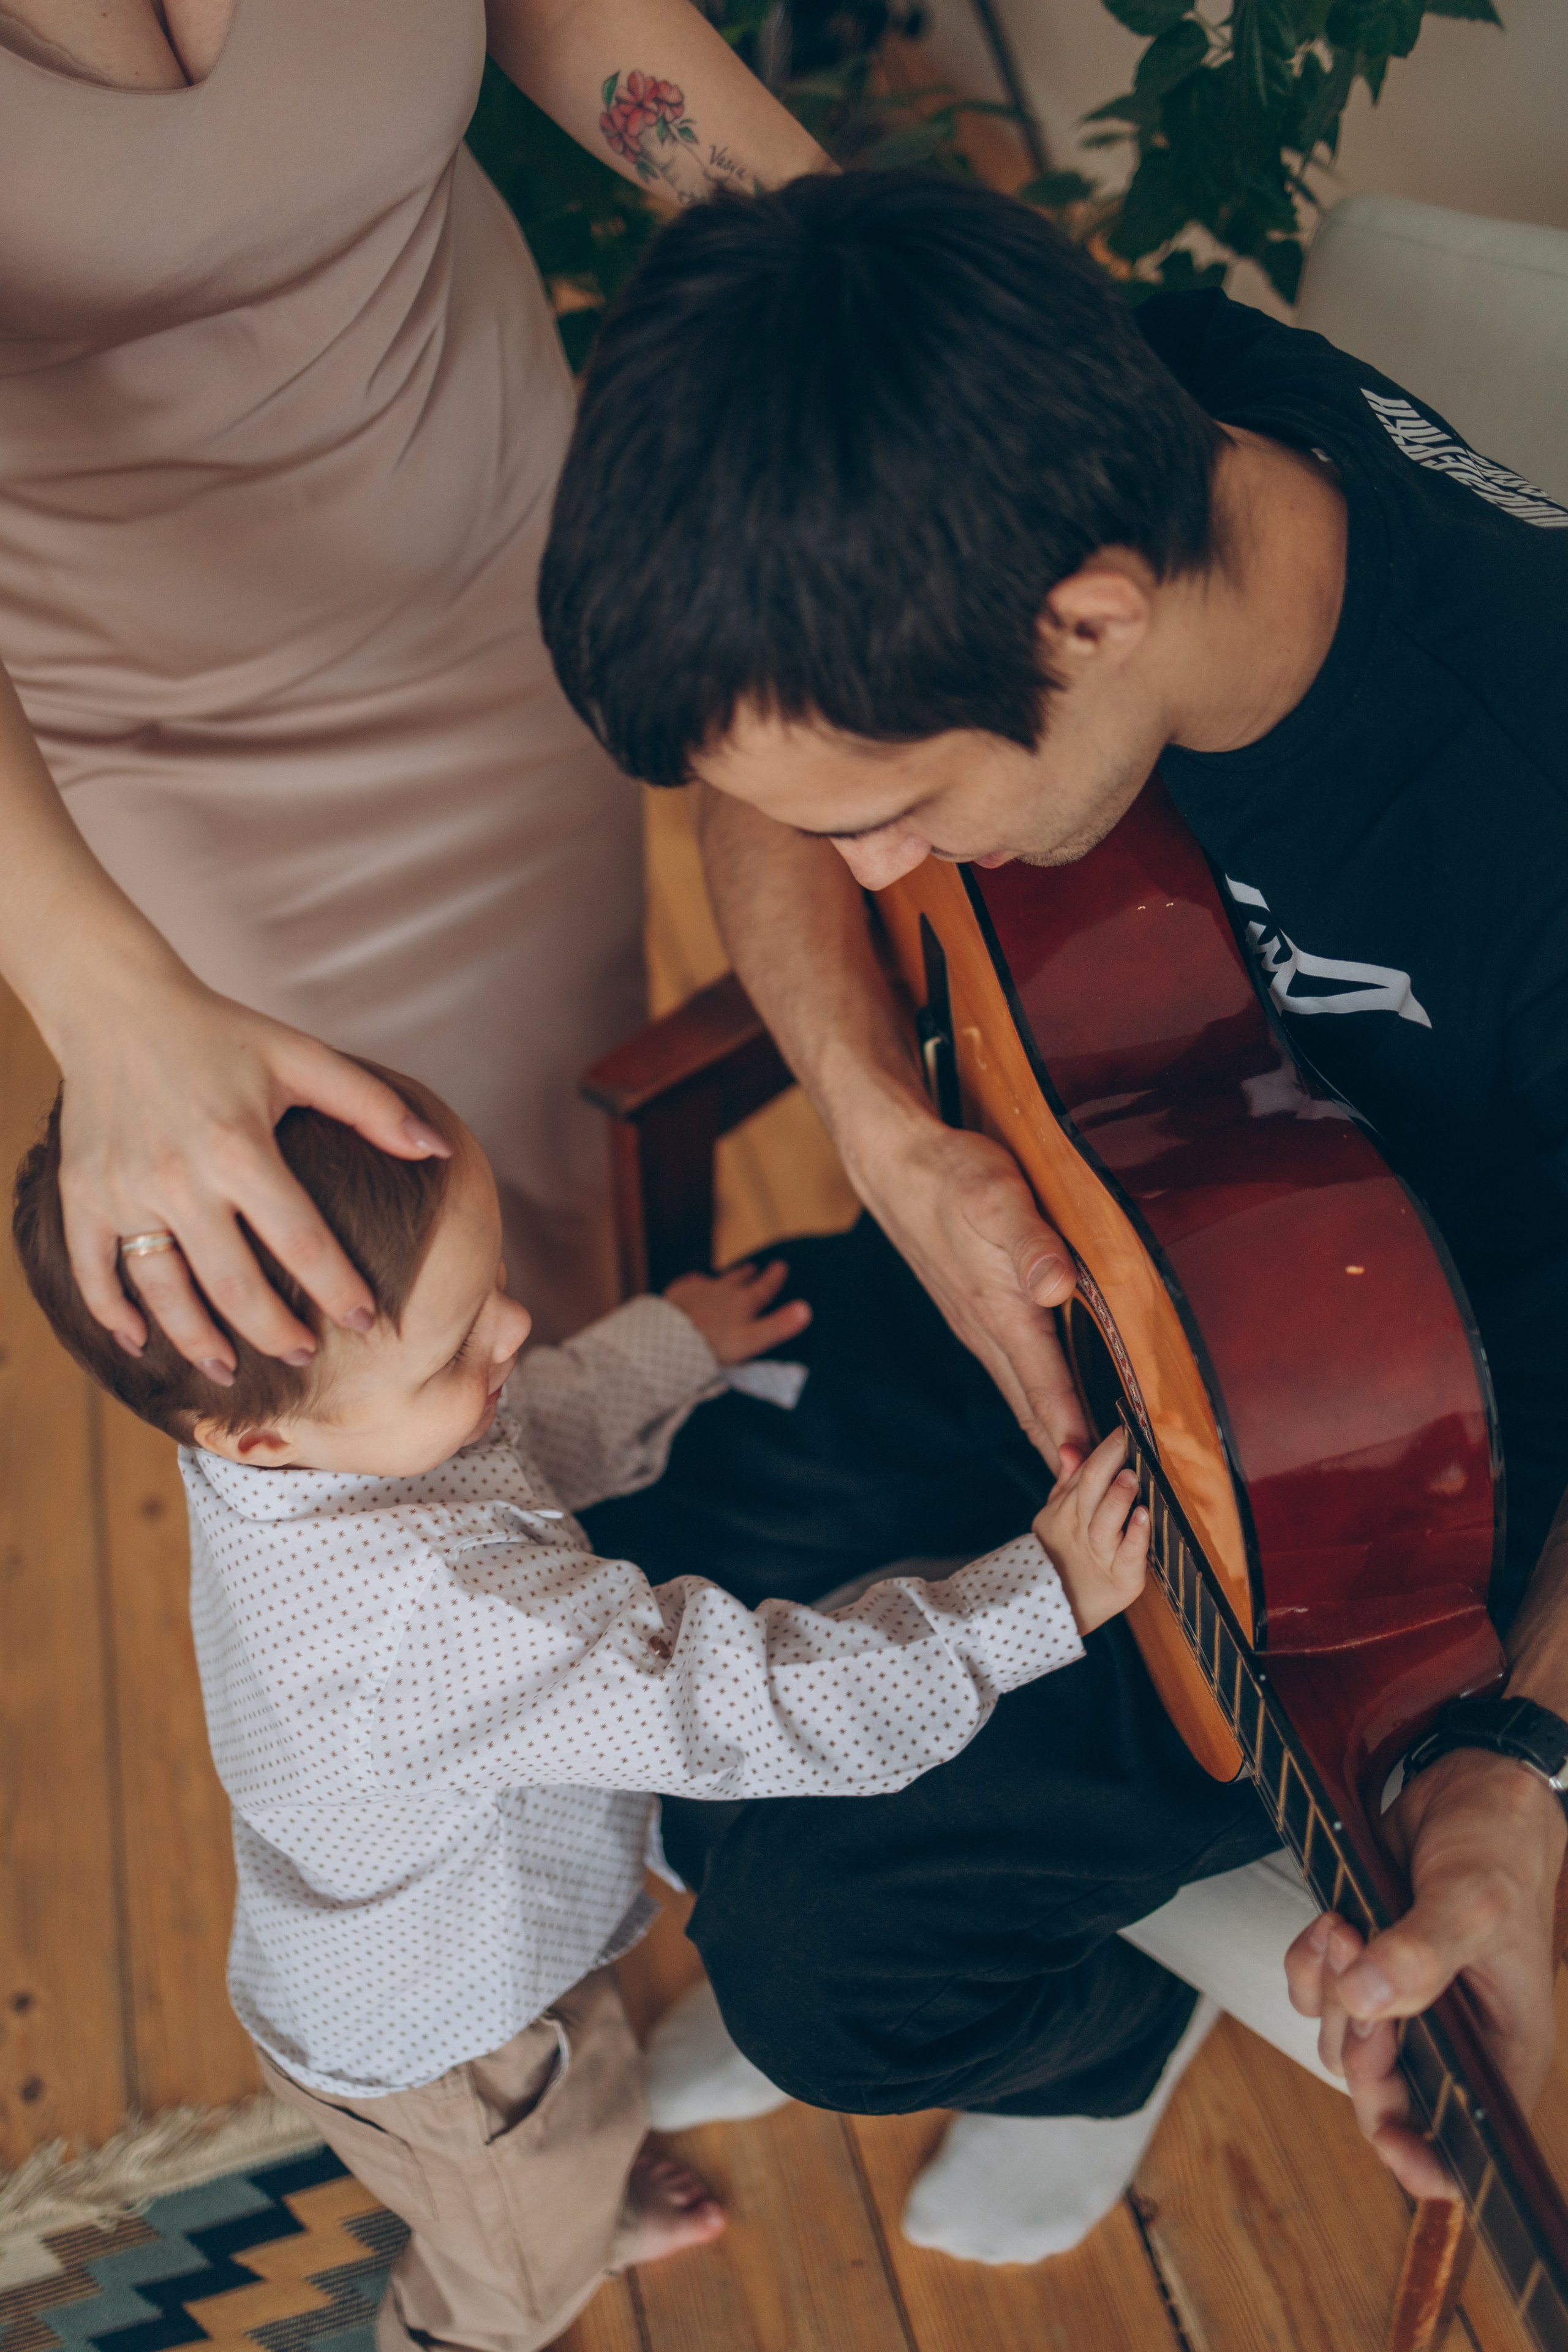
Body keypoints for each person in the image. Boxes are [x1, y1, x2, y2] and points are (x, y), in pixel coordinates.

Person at [537, 169, 1568, 2249]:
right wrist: (891, 1138)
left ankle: (1087, 2031)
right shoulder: (1120, 386)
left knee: (825, 1964)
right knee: (577, 1554)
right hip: (1094, 1215)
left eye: (900, 816)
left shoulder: (1526, 785)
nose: (876, 858)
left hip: (1385, 1480)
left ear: (1087, 621)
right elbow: (764, 795)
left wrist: (1529, 1764)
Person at [12, 1062, 1149, 2351]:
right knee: (516, 2226)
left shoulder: (310, 1440)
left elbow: (524, 1426)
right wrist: (1032, 1598)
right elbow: (738, 1702)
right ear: (256, 1437)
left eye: (488, 1292)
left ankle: (581, 2193)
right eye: (459, 1344)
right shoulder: (422, 1624)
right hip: (445, 2047)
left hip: (473, 1945)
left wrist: (671, 1342)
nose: (512, 1333)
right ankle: (478, 2315)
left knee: (585, 2083)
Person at [0, 0, 825, 1369]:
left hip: (509, 576)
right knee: (394, 1284)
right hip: (158, 746)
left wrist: (880, 272)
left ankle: (672, 1464)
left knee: (570, 1152)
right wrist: (94, 998)